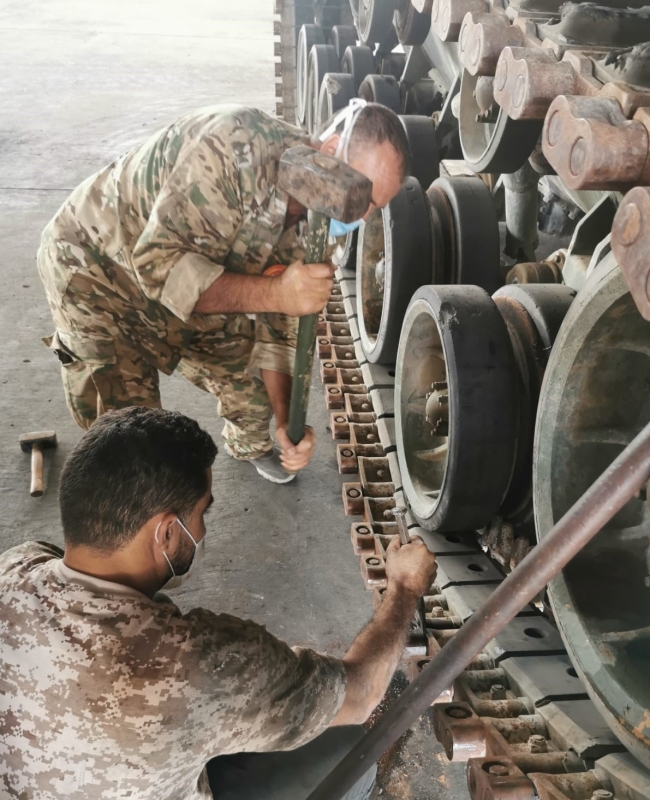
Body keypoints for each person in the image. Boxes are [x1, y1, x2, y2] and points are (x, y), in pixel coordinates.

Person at [0, 407, 437, 799]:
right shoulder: (201, 661)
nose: (203, 530)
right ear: (166, 532)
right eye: (202, 513)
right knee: (345, 746)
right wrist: (403, 588)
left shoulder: (15, 567)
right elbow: (360, 694)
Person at [36, 102, 410, 484]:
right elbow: (160, 269)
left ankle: (250, 445)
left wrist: (286, 421)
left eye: (374, 209)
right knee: (132, 449)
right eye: (364, 198)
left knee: (255, 388)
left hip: (188, 283)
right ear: (330, 153)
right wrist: (277, 294)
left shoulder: (319, 216)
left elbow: (281, 328)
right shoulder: (231, 148)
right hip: (97, 274)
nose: (362, 217)